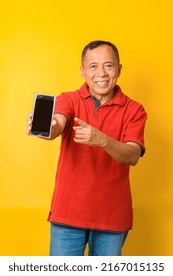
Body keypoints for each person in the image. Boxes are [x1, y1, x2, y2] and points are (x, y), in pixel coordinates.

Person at [27, 40, 147, 256]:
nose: (101, 73)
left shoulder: (134, 110)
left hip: (112, 218)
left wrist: (102, 140)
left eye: (108, 65)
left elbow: (133, 155)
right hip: (68, 215)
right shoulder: (69, 99)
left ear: (119, 69)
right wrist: (48, 127)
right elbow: (58, 124)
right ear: (83, 72)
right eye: (93, 66)